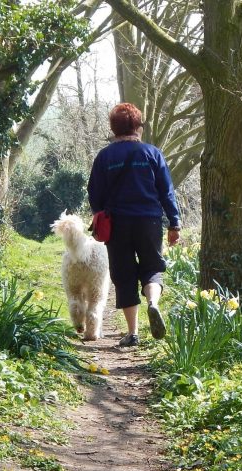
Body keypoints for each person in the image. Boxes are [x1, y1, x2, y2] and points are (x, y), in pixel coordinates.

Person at [87, 103, 181, 347]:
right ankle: (153, 303)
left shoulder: (104, 157)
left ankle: (133, 333)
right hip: (149, 220)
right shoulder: (152, 154)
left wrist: (100, 214)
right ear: (137, 127)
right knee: (151, 267)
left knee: (124, 275)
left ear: (114, 129)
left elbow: (94, 193)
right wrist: (174, 223)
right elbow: (166, 191)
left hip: (116, 223)